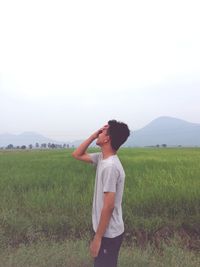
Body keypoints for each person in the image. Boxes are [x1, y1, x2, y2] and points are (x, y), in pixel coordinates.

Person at [72, 120, 130, 267]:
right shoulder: (102, 158)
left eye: (103, 132)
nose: (99, 132)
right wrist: (93, 136)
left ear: (107, 139)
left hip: (108, 234)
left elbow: (109, 206)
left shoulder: (110, 166)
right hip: (105, 230)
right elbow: (77, 154)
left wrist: (97, 238)